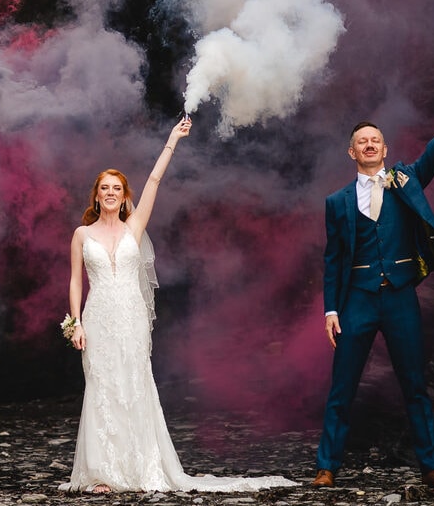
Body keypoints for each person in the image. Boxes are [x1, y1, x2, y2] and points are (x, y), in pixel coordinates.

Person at [62, 118, 294, 494]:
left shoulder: (134, 226)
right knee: (102, 387)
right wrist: (76, 324)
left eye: (115, 188)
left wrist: (172, 140)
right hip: (99, 317)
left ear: (123, 196)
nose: (109, 193)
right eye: (103, 188)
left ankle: (139, 468)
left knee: (134, 384)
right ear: (95, 195)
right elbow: (75, 280)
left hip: (131, 316)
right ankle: (103, 472)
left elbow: (153, 182)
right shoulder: (81, 234)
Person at [312, 65, 434, 489]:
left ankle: (431, 466)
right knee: (342, 387)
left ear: (384, 147)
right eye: (362, 141)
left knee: (414, 383)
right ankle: (327, 467)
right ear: (352, 153)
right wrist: (331, 309)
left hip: (399, 298)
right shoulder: (336, 202)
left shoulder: (405, 179)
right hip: (356, 300)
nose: (370, 144)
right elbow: (334, 259)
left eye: (375, 139)